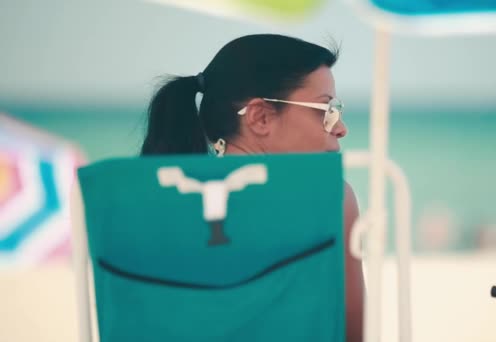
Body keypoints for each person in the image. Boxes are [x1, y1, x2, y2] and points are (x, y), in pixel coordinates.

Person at [140, 33, 364, 341]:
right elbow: (352, 334)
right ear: (259, 117)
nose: (340, 128)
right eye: (326, 110)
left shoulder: (150, 202)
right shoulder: (332, 199)